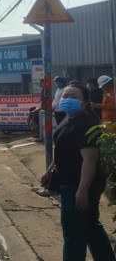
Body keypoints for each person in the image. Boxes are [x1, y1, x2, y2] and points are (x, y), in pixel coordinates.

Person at [40, 84, 115, 261]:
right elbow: (62, 149)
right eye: (65, 96)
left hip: (77, 184)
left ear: (84, 102)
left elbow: (90, 159)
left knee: (73, 233)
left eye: (73, 97)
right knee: (90, 227)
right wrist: (50, 170)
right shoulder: (70, 120)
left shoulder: (85, 124)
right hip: (71, 182)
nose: (67, 100)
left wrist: (81, 190)